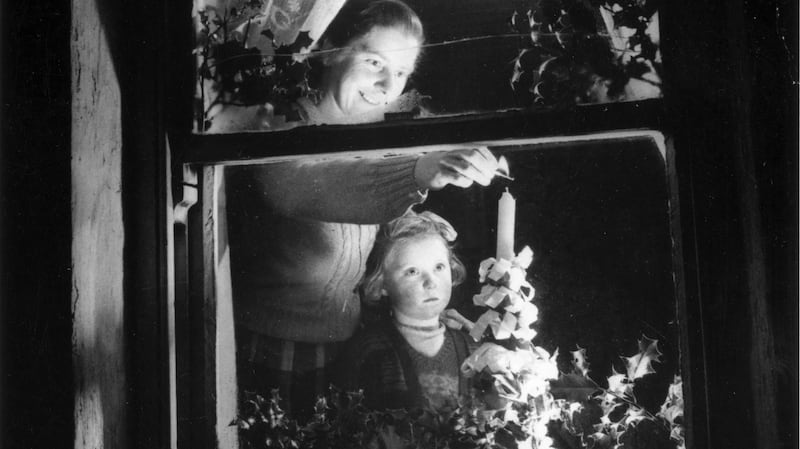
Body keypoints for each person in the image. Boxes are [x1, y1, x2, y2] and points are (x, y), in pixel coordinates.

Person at [225, 0, 500, 417]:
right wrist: (418, 172)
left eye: (403, 72)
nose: (389, 84)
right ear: (333, 50)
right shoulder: (284, 120)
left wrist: (430, 310)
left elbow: (367, 217)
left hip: (346, 337)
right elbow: (302, 188)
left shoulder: (383, 132)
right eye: (374, 61)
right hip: (272, 342)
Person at [337, 211, 477, 410]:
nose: (431, 283)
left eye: (439, 267)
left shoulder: (470, 347)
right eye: (412, 272)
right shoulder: (368, 349)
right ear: (381, 284)